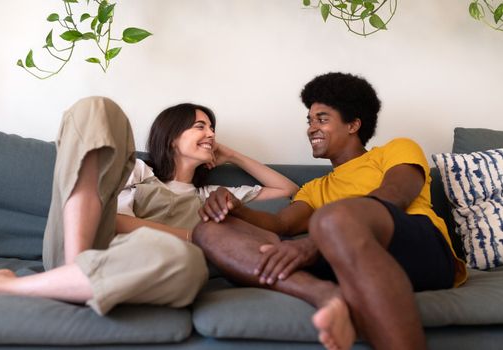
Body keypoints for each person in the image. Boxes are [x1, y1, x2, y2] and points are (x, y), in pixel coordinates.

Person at [192, 73, 467, 350]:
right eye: (309, 121)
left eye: (322, 119)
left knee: (334, 218)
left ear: (353, 125)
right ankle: (327, 296)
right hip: (343, 258)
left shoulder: (396, 149)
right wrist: (236, 207)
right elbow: (279, 224)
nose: (311, 128)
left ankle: (330, 238)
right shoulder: (314, 189)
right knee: (208, 231)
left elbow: (395, 195)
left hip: (420, 249)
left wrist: (314, 243)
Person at [0, 96, 299, 315]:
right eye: (200, 126)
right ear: (172, 136)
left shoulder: (211, 196)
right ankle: (74, 270)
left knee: (187, 264)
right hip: (84, 244)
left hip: (139, 268)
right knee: (100, 109)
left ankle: (27, 286)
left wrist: (233, 156)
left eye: (212, 129)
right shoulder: (138, 171)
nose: (211, 133)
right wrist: (192, 236)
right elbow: (115, 221)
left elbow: (288, 190)